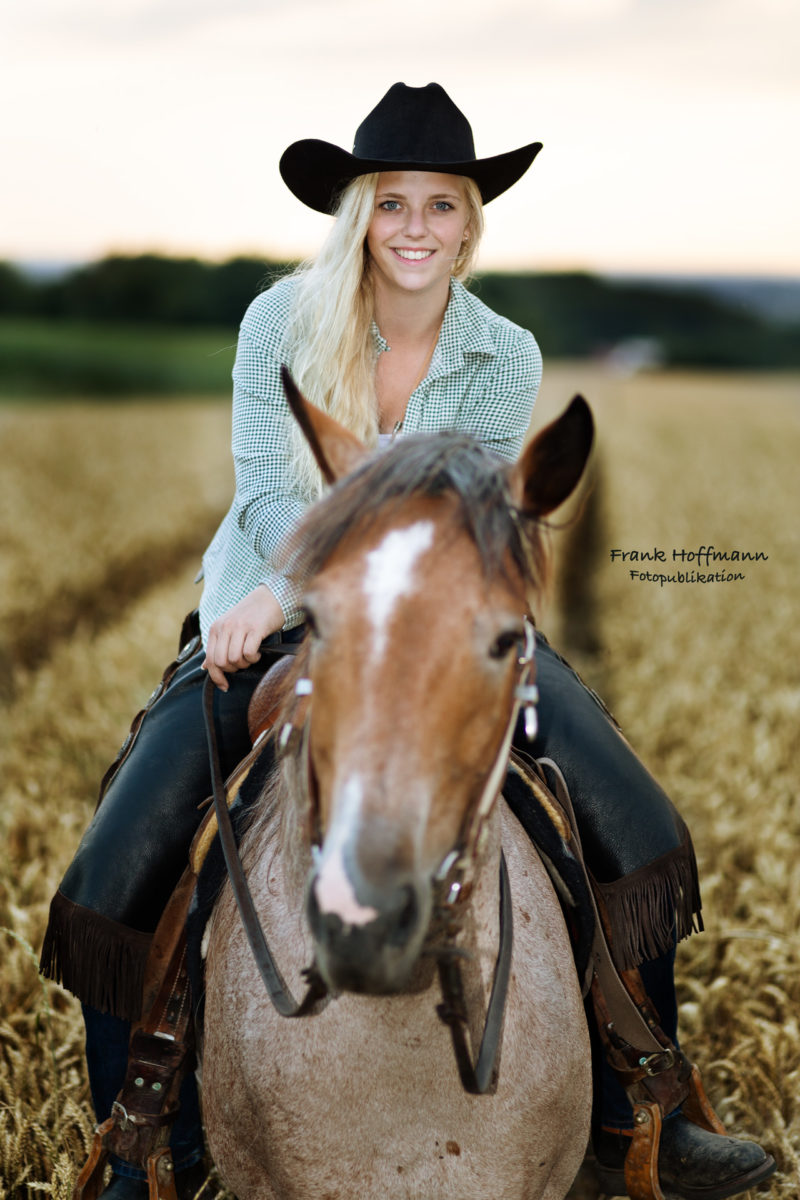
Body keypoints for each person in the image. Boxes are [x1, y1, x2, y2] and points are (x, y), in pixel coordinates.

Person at [40, 83, 775, 1200]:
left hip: (446, 621)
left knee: (633, 824)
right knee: (117, 863)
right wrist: (281, 604)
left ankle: (643, 1107)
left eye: (442, 204)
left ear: (471, 221)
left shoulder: (505, 355)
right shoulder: (278, 322)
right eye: (393, 204)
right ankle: (145, 1139)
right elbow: (273, 494)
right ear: (359, 215)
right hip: (269, 604)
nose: (417, 228)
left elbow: (471, 519)